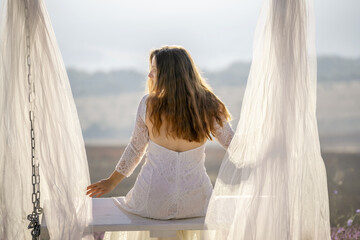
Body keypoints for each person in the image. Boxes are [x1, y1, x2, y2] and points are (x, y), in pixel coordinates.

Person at [86, 46, 234, 237]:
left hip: (152, 202)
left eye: (154, 69)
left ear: (167, 73)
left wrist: (111, 182)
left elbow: (135, 148)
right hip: (197, 202)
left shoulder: (149, 104)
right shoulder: (209, 104)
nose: (149, 74)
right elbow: (234, 145)